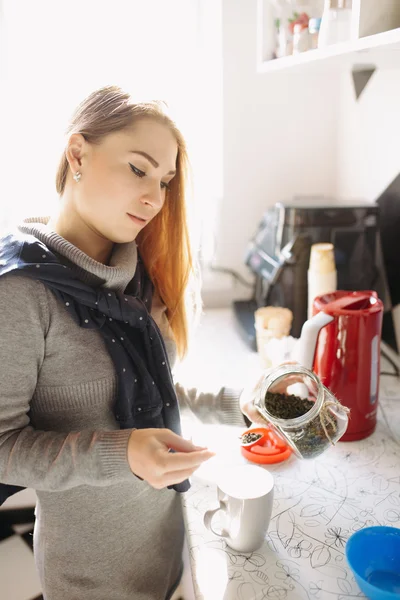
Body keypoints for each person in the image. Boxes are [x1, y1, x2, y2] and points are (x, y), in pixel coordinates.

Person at [0, 85, 258, 600]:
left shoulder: (132, 278)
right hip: (92, 580)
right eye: (138, 169)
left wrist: (239, 405)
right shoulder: (20, 293)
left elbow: (144, 395)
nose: (155, 198)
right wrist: (125, 454)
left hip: (168, 547)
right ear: (77, 155)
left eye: (164, 181)